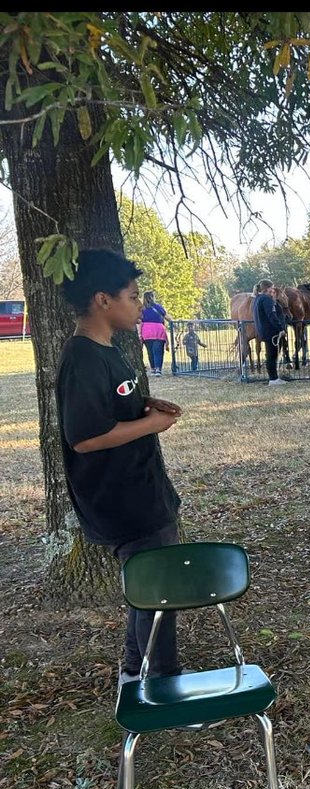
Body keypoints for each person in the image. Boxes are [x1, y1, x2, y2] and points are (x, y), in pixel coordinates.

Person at [59, 250, 184, 686]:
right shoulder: (83, 358)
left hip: (144, 491)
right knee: (158, 590)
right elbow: (85, 436)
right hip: (122, 500)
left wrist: (144, 405)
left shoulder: (107, 350)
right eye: (132, 296)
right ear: (102, 300)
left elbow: (113, 407)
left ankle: (135, 673)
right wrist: (150, 424)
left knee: (150, 592)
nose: (139, 304)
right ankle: (165, 683)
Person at [252, 279, 288, 386]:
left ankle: (274, 377)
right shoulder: (266, 300)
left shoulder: (257, 299)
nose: (273, 290)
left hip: (263, 330)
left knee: (271, 355)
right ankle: (273, 379)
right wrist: (280, 328)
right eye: (272, 288)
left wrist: (274, 300)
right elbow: (272, 315)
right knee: (272, 355)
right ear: (267, 288)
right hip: (271, 331)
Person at [139, 290, 171, 376]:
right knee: (158, 351)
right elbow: (168, 318)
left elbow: (139, 321)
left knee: (150, 351)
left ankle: (153, 368)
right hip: (158, 331)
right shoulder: (158, 307)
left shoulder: (142, 308)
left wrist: (140, 333)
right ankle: (158, 369)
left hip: (146, 331)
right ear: (152, 297)